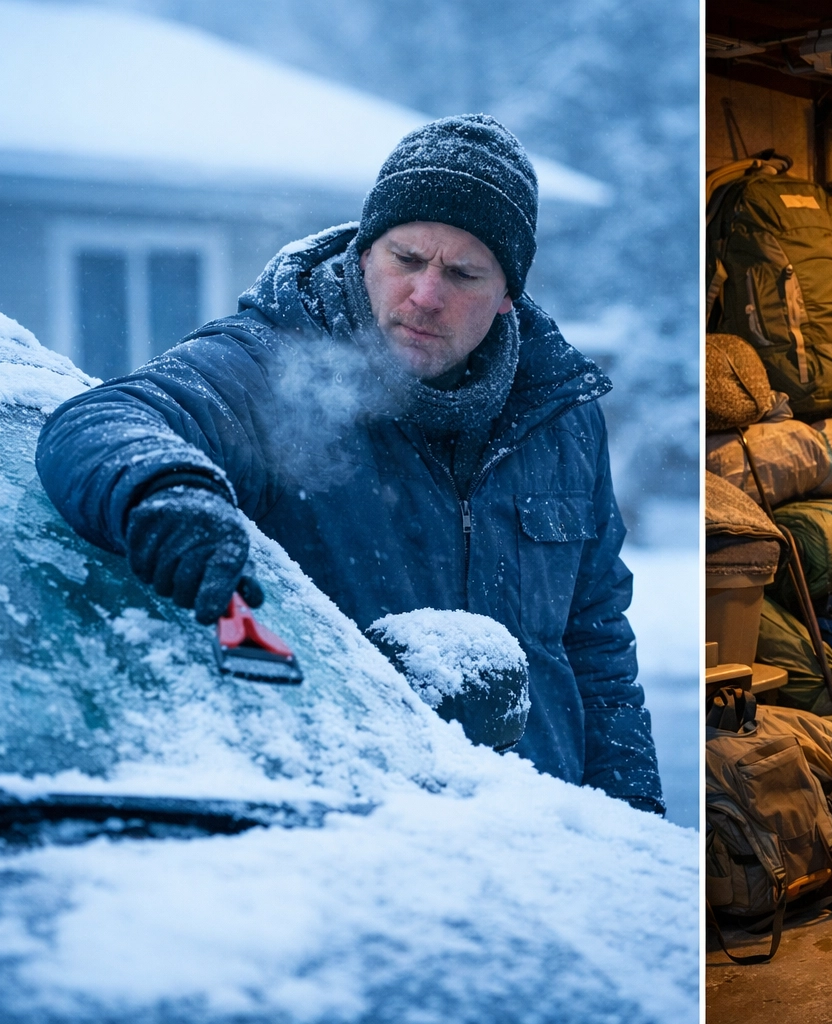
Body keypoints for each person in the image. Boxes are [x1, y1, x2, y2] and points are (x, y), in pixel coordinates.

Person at [35, 115, 665, 815]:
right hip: (345, 834)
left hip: (546, 835)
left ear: (507, 296)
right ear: (365, 254)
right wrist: (163, 487)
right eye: (406, 260)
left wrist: (633, 822)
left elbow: (596, 642)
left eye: (463, 273)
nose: (426, 296)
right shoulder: (273, 365)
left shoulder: (558, 418)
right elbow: (101, 420)